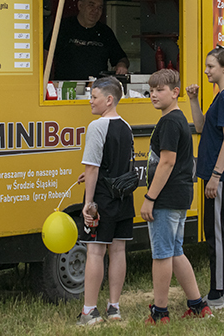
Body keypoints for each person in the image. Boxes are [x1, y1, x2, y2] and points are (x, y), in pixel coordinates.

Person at [140, 69, 213, 324]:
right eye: (151, 91)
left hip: (168, 197)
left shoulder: (170, 121)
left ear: (175, 92)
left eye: (160, 90)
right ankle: (197, 305)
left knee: (161, 254)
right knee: (175, 251)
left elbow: (167, 162)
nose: (154, 95)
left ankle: (160, 312)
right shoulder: (178, 118)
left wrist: (150, 197)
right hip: (181, 194)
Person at [186, 46, 224, 309]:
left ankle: (218, 292)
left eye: (211, 66)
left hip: (223, 176)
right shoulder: (222, 96)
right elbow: (200, 128)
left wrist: (215, 176)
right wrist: (194, 101)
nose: (206, 70)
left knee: (217, 234)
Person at [76, 76, 135, 326]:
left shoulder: (96, 126)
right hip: (124, 197)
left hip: (102, 198)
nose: (90, 101)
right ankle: (114, 307)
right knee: (119, 250)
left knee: (96, 251)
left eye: (94, 97)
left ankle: (89, 310)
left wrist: (88, 203)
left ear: (109, 100)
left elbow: (92, 167)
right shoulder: (126, 126)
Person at [44, 0, 129, 80]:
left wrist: (122, 65)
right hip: (66, 88)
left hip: (98, 89)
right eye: (91, 5)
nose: (95, 10)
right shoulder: (64, 27)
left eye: (99, 7)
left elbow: (122, 58)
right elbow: (46, 54)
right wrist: (43, 81)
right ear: (80, 5)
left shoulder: (105, 32)